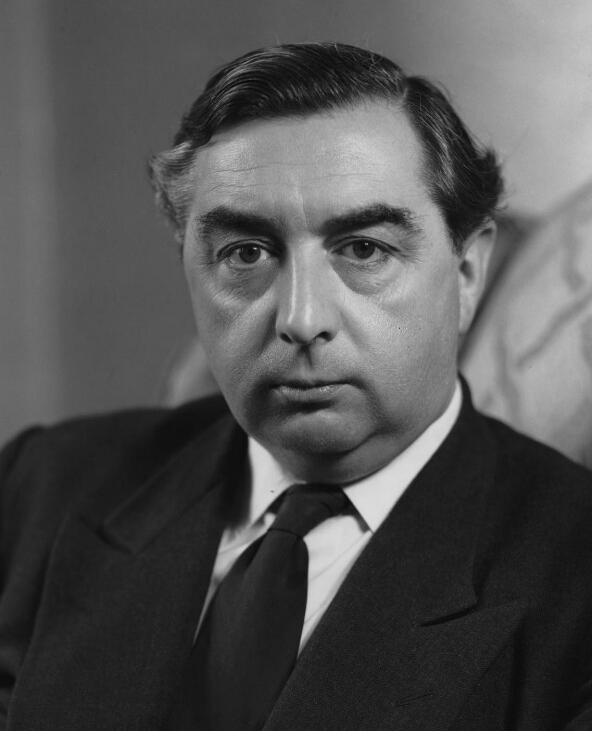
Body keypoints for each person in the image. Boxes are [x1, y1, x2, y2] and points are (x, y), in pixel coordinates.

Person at [1, 43, 591, 731]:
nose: (301, 319)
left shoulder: (575, 575)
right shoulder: (38, 490)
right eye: (246, 253)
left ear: (466, 273)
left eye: (364, 248)